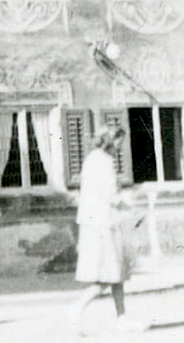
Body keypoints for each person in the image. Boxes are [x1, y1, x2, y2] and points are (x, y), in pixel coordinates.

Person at [73, 125, 145, 335]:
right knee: (108, 276)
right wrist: (129, 201)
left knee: (116, 274)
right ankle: (76, 310)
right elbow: (109, 195)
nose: (119, 148)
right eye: (118, 143)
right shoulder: (104, 163)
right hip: (104, 225)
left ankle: (121, 318)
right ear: (109, 141)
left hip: (95, 223)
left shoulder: (91, 160)